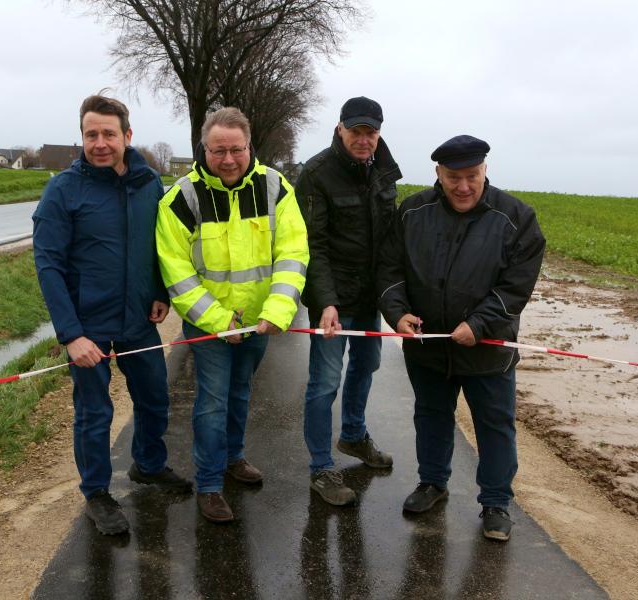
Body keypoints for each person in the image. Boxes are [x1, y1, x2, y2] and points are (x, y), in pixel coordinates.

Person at [33, 94, 192, 536]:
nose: (99, 143)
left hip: (138, 318)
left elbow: (161, 243)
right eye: (90, 134)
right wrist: (71, 335)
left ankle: (149, 465)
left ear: (127, 135)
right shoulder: (62, 190)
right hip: (88, 326)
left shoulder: (148, 183)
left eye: (108, 133)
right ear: (81, 137)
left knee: (155, 398)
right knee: (94, 412)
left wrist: (159, 290)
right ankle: (98, 494)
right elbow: (47, 264)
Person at [376, 135, 545, 541]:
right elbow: (390, 269)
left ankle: (496, 503)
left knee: (495, 426)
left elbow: (516, 286)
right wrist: (397, 313)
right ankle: (432, 483)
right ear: (439, 173)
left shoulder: (517, 218)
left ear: (485, 170)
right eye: (454, 177)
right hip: (427, 348)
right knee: (431, 416)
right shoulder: (413, 211)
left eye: (472, 175)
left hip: (486, 351)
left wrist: (480, 324)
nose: (463, 186)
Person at [156, 107, 309, 523]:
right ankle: (208, 484)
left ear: (249, 147)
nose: (227, 159)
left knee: (241, 392)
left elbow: (292, 253)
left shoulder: (276, 188)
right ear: (203, 148)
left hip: (259, 320)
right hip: (210, 325)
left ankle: (233, 458)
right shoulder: (181, 198)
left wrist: (279, 310)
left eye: (236, 150)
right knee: (211, 401)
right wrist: (219, 320)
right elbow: (177, 271)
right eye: (218, 150)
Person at [295, 96, 402, 506]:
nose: (364, 139)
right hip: (332, 299)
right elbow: (312, 244)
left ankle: (354, 436)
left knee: (368, 363)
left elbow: (390, 241)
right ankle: (321, 466)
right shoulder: (317, 173)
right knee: (324, 382)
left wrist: (397, 297)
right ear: (340, 128)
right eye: (356, 130)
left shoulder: (385, 173)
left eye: (371, 132)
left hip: (369, 295)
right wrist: (325, 300)